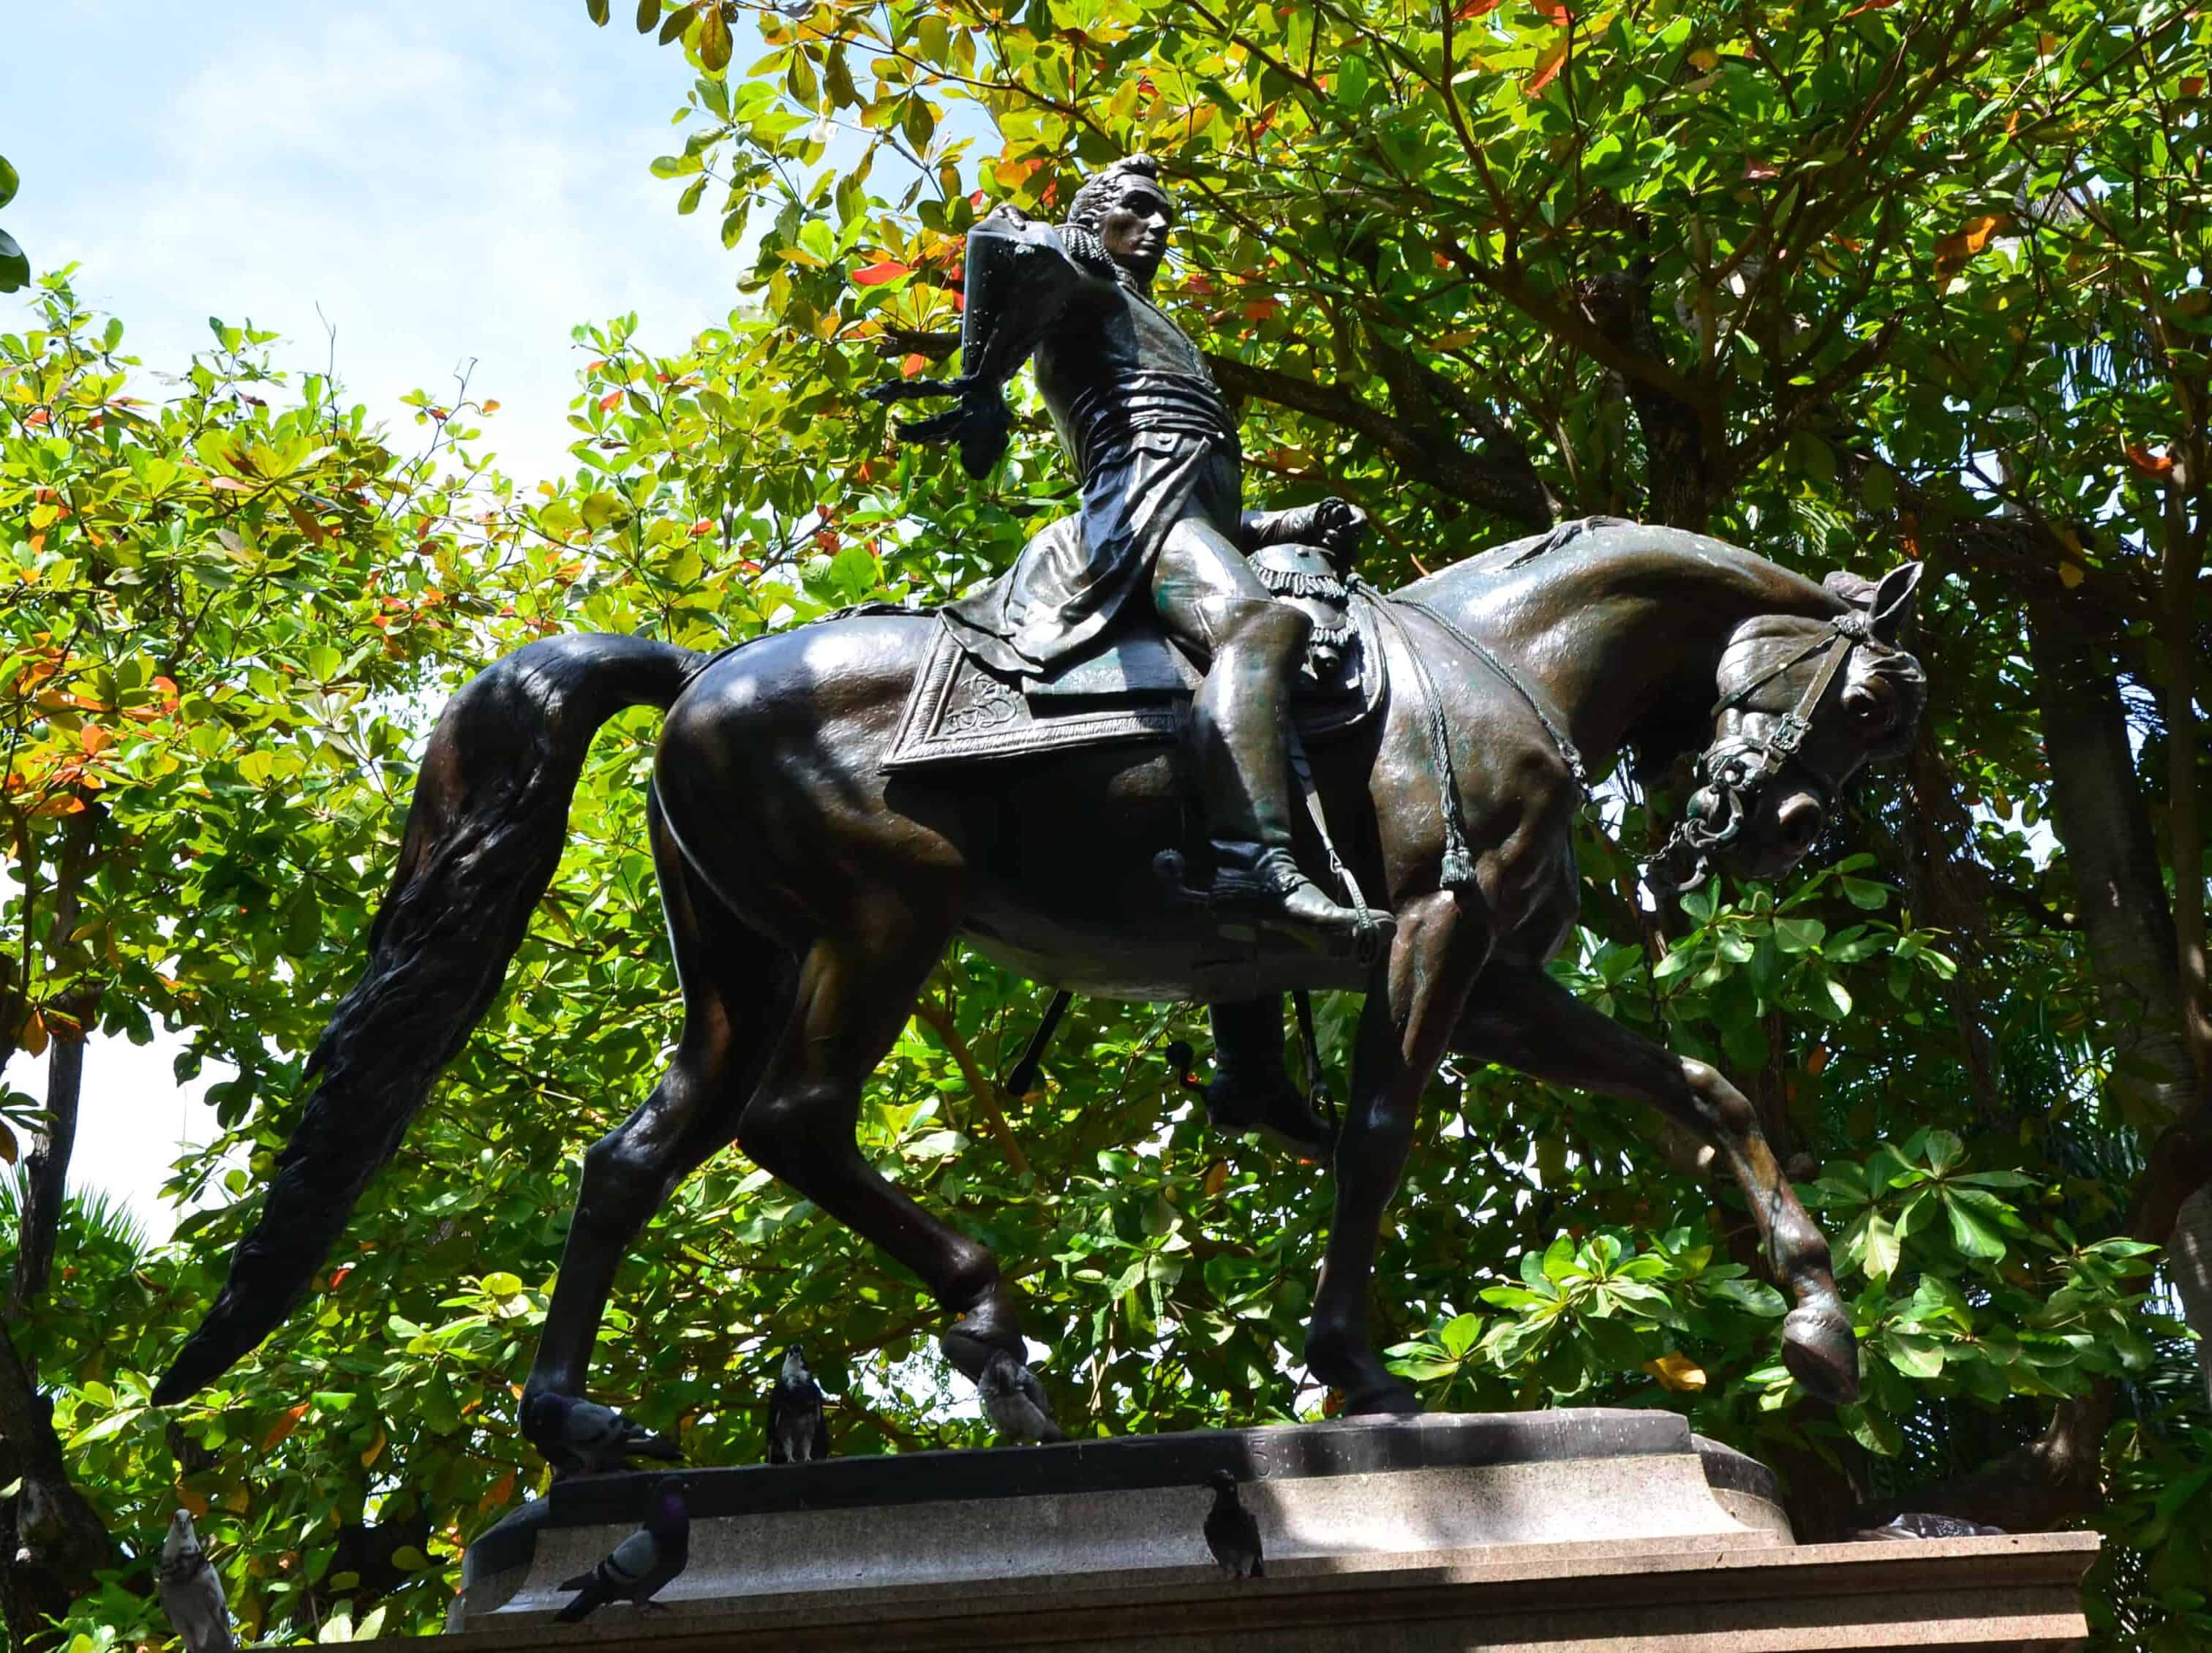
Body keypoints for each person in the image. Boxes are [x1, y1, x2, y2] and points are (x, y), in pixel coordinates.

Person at [871, 154, 1391, 957]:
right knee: (1261, 629)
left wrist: (1297, 518)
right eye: (1139, 210)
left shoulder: (1160, 329)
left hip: (1176, 523)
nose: (1156, 228)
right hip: (1129, 525)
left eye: (1165, 219)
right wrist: (982, 380)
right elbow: (995, 243)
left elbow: (1205, 507)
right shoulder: (1088, 281)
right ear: (1094, 220)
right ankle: (1255, 865)